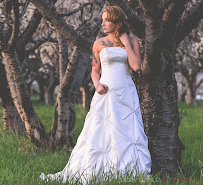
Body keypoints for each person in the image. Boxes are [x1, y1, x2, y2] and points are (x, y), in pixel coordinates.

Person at [40, 6, 152, 184]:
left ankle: (127, 170)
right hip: (106, 91)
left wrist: (126, 42)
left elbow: (136, 66)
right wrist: (97, 84)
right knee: (101, 129)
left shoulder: (132, 41)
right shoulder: (98, 44)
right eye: (102, 19)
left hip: (126, 92)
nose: (103, 23)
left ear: (117, 21)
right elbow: (94, 70)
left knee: (127, 130)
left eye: (107, 20)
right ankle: (100, 168)